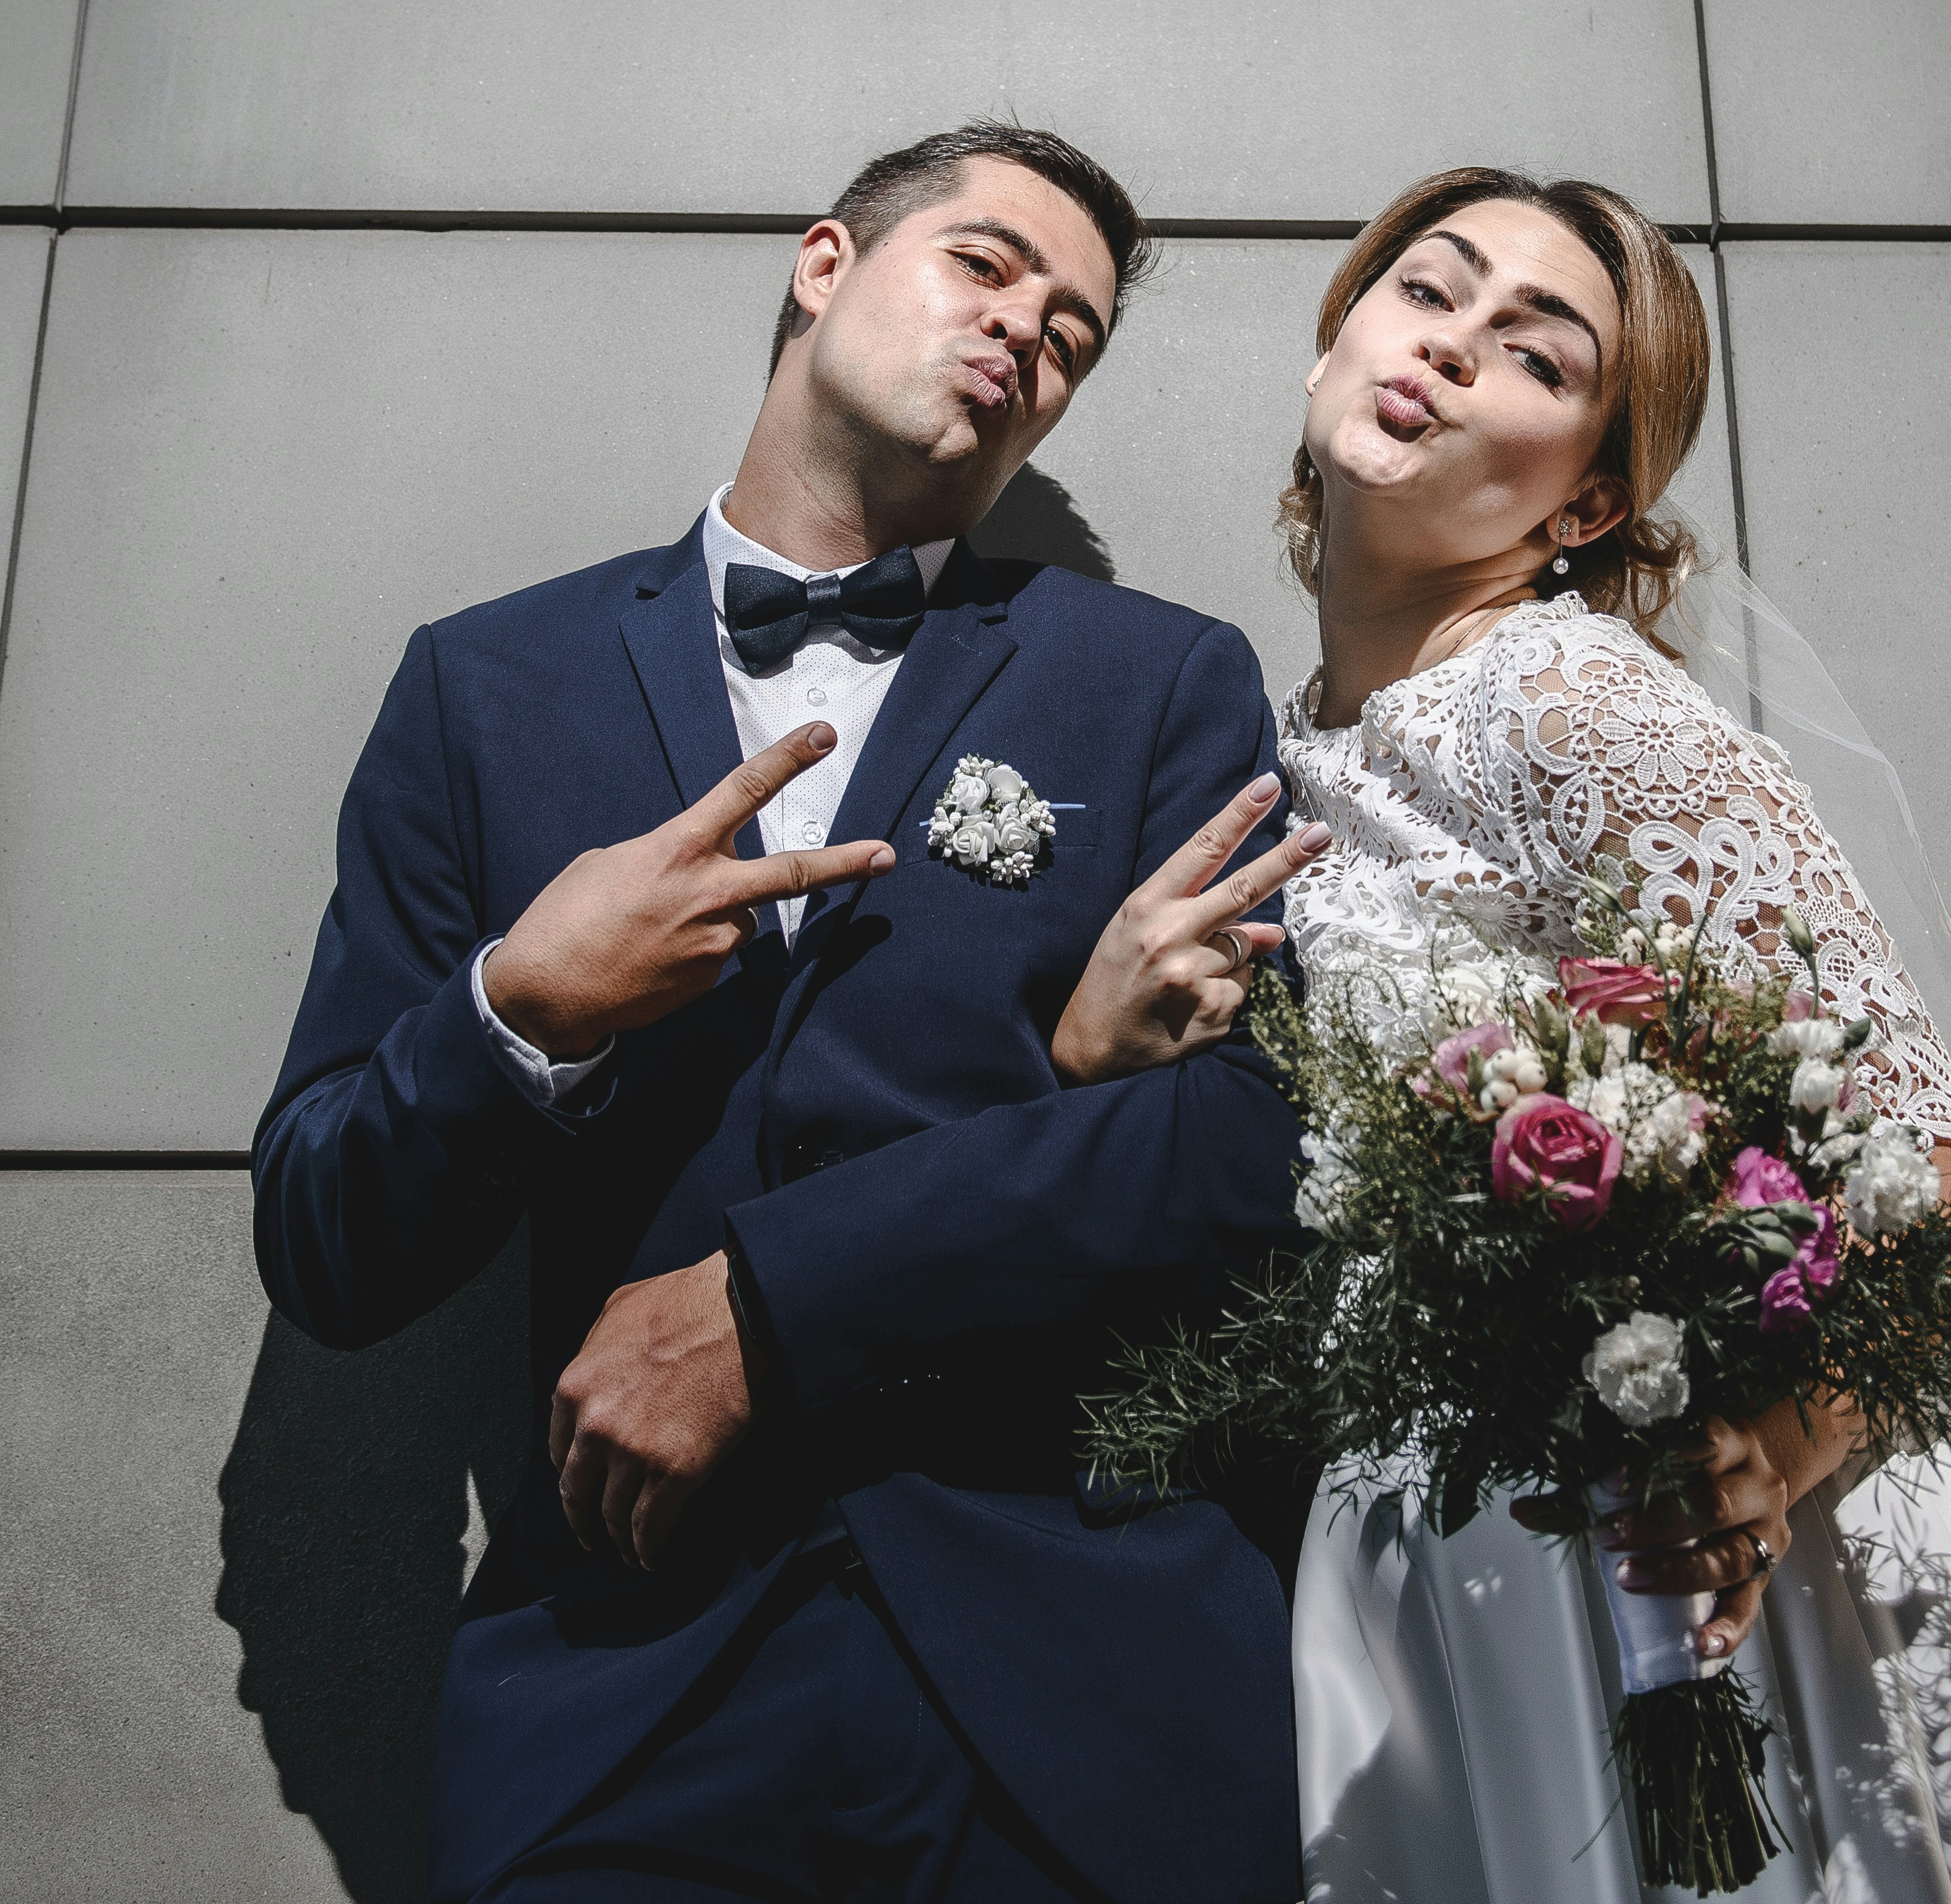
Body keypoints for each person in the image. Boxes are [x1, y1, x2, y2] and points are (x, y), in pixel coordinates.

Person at [1059, 169, 1951, 1904]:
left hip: (1706, 1559)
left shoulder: (1577, 705)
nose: (1453, 347)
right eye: (1427, 291)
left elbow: (1937, 1169)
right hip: (1432, 1547)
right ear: (1330, 341)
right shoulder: (1269, 757)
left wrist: (1766, 1461)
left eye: (1537, 354)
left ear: (1588, 499)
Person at [251, 121, 1334, 1904]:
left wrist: (771, 1301)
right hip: (623, 1687)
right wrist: (521, 1009)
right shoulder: (484, 684)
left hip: (1073, 1678)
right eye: (986, 266)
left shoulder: (1154, 679)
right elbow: (325, 1239)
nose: (1026, 332)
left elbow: (1255, 1139)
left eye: (1071, 334)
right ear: (824, 263)